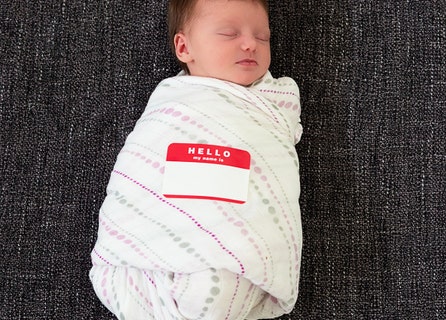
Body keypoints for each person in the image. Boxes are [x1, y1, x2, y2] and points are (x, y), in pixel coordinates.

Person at [89, 0, 303, 319]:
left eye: (262, 37)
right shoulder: (172, 102)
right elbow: (147, 154)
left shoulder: (274, 100)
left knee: (217, 292)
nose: (249, 43)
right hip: (157, 234)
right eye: (229, 33)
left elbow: (277, 146)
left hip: (238, 244)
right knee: (133, 284)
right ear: (185, 47)